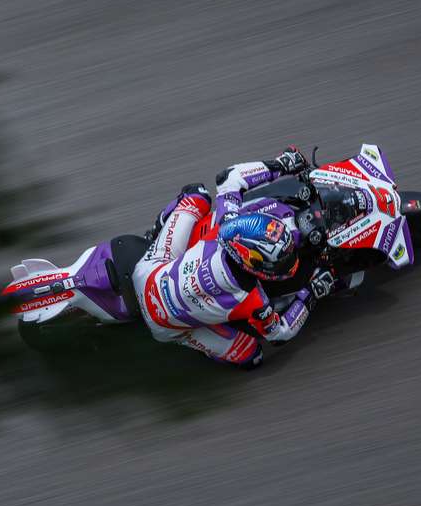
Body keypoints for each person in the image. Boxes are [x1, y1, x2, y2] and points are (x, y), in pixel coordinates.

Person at [134, 147, 335, 370]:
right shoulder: (253, 300)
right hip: (167, 328)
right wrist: (311, 293)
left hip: (150, 272)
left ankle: (155, 235)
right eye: (282, 260)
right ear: (255, 267)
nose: (291, 261)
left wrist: (281, 164)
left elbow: (228, 178)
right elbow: (280, 334)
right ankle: (197, 344)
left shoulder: (225, 224)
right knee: (253, 356)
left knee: (197, 194)